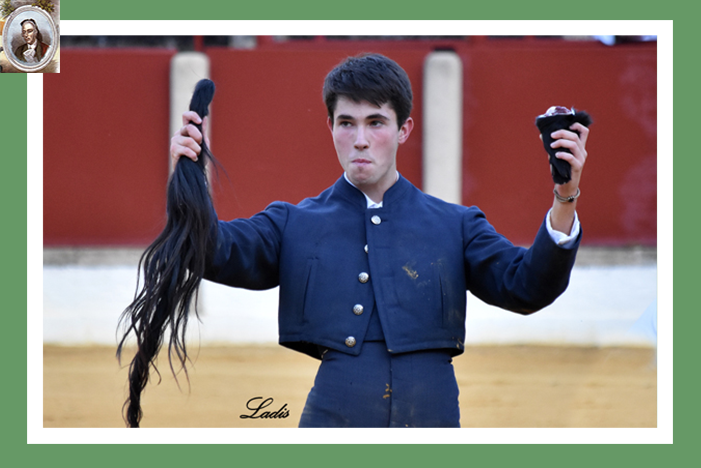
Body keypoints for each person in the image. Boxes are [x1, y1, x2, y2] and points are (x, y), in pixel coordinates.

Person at [170, 53, 589, 427]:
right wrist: (186, 177)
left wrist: (564, 196)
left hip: (432, 421)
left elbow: (528, 286)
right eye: (347, 123)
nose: (361, 140)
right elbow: (212, 249)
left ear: (404, 129)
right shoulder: (293, 222)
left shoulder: (454, 224)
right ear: (330, 126)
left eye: (376, 122)